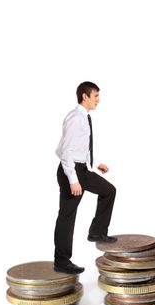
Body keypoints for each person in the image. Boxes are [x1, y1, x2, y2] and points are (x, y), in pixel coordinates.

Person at [53, 81, 117, 274]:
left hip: (82, 169)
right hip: (70, 171)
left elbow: (81, 147)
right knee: (67, 216)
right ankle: (61, 261)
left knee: (108, 191)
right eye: (96, 96)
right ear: (85, 97)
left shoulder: (85, 118)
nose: (98, 100)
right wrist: (73, 179)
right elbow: (65, 152)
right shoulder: (75, 119)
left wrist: (96, 163)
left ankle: (97, 232)